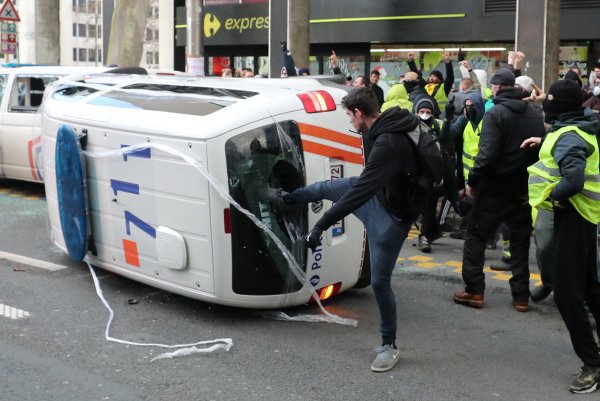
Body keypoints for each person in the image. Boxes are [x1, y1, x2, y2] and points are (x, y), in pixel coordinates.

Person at [274, 87, 421, 372]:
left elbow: (359, 194)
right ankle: (286, 198)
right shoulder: (397, 122)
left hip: (390, 220)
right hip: (383, 196)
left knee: (379, 282)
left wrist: (319, 227)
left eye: (349, 117)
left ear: (358, 113)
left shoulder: (388, 144)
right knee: (326, 187)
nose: (350, 124)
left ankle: (389, 346)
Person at [524, 79, 600, 393]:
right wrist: (542, 136)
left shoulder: (568, 136)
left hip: (573, 215)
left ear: (560, 108)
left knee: (569, 296)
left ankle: (593, 365)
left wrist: (553, 196)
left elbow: (574, 178)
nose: (546, 105)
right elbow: (565, 137)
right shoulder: (579, 127)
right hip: (584, 218)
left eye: (549, 102)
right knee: (591, 288)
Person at [452, 68, 546, 312]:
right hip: (523, 189)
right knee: (520, 242)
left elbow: (486, 155)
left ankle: (474, 291)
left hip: (494, 188)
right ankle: (521, 296)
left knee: (476, 236)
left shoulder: (495, 114)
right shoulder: (535, 114)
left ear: (497, 87)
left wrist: (472, 182)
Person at [412, 96, 445, 252]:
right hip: (415, 172)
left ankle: (424, 235)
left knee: (429, 206)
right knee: (419, 206)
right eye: (422, 111)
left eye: (428, 111)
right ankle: (431, 232)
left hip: (432, 173)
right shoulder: (411, 127)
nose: (425, 114)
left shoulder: (438, 126)